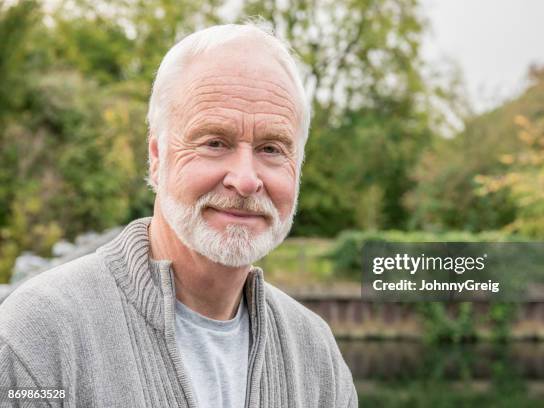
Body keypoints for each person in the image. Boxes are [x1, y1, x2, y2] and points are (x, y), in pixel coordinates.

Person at [0, 23, 358, 407]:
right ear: (157, 158)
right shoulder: (40, 336)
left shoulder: (317, 357)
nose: (245, 180)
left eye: (271, 148)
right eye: (214, 142)